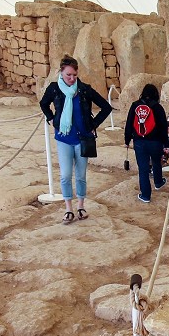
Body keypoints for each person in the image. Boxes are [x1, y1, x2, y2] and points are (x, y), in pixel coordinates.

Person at [39, 56, 111, 223]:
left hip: (82, 138)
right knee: (65, 175)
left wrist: (94, 124)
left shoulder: (84, 89)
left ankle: (80, 205)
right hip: (64, 138)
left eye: (74, 75)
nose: (72, 79)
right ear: (61, 73)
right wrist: (51, 118)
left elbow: (106, 107)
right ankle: (68, 208)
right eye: (68, 75)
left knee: (80, 175)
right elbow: (43, 103)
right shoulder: (55, 89)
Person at [122, 83, 169, 203]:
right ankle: (158, 182)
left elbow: (129, 124)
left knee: (143, 169)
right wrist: (166, 144)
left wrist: (127, 140)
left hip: (139, 141)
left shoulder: (135, 105)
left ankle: (145, 195)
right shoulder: (158, 107)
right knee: (156, 161)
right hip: (155, 141)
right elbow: (162, 127)